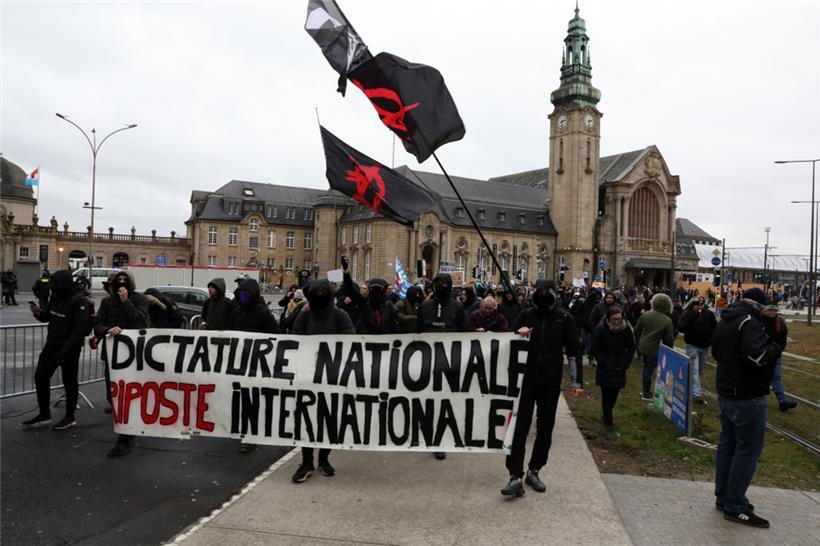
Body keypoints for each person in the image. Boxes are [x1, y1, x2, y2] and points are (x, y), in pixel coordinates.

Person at [501, 280, 581, 497]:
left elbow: (574, 349)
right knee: (520, 428)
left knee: (545, 428)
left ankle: (534, 469)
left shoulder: (564, 318)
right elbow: (507, 340)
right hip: (525, 381)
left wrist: (576, 381)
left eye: (548, 294)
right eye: (540, 294)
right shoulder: (526, 315)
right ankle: (515, 474)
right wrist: (519, 333)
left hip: (550, 381)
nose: (544, 298)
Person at [711, 287, 780, 528]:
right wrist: (775, 346)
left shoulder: (726, 318)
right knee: (747, 450)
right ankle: (735, 505)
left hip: (726, 390)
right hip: (747, 394)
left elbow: (716, 351)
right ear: (759, 305)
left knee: (728, 445)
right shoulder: (749, 322)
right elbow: (758, 356)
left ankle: (723, 497)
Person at [291, 279, 356, 482]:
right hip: (307, 377)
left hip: (332, 378)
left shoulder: (340, 315)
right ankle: (307, 461)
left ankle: (324, 459)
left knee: (329, 421)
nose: (319, 296)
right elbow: (294, 341)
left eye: (323, 293)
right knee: (306, 421)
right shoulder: (305, 316)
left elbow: (350, 341)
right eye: (316, 293)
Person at [22, 270, 91, 431]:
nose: (54, 288)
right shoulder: (56, 296)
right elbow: (47, 317)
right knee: (41, 376)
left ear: (65, 284)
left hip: (70, 347)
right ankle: (44, 414)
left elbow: (80, 330)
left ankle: (70, 416)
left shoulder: (79, 300)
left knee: (69, 381)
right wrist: (37, 312)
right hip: (52, 344)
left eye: (57, 285)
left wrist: (65, 352)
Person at [94, 270, 149, 457]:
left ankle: (125, 438)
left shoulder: (140, 299)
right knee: (113, 395)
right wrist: (108, 329)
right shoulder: (107, 302)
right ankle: (126, 425)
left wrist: (126, 302)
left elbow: (139, 321)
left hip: (132, 356)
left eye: (126, 280)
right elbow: (98, 325)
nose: (122, 283)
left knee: (128, 397)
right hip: (112, 356)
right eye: (119, 281)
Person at [417, 272, 468, 459]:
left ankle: (440, 439)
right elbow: (418, 331)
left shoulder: (458, 307)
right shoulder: (425, 306)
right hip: (428, 361)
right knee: (428, 400)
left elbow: (465, 334)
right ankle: (427, 433)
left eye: (445, 283)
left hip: (449, 362)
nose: (442, 286)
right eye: (438, 283)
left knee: (445, 402)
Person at [229, 277, 280, 453]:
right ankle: (242, 430)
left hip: (256, 365)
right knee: (239, 400)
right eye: (241, 294)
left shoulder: (264, 313)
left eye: (246, 294)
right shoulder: (236, 312)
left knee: (253, 402)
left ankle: (251, 436)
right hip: (238, 364)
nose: (243, 298)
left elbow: (276, 337)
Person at [590, 306, 635, 433]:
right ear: (609, 318)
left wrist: (626, 362)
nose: (616, 322)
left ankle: (607, 413)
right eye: (614, 319)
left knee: (614, 393)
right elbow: (595, 347)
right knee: (606, 393)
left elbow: (631, 347)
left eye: (619, 319)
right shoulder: (601, 329)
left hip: (619, 365)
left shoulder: (626, 330)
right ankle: (608, 421)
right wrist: (602, 360)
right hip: (605, 365)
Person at [634, 293, 675, 400]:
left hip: (643, 346)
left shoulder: (646, 315)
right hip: (655, 348)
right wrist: (669, 349)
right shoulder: (667, 320)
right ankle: (647, 392)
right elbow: (669, 339)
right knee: (651, 370)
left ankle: (645, 390)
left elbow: (637, 329)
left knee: (646, 369)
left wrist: (639, 341)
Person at [678, 296, 717, 403]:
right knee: (694, 370)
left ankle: (692, 388)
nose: (699, 306)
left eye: (701, 304)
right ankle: (697, 394)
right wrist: (692, 316)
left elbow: (715, 327)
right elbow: (681, 327)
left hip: (705, 346)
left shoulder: (709, 314)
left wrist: (712, 340)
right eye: (697, 305)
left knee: (699, 371)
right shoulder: (687, 314)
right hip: (692, 346)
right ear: (693, 305)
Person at [761, 304, 797, 412]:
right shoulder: (758, 321)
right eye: (770, 310)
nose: (772, 312)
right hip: (760, 355)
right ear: (765, 310)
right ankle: (755, 401)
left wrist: (778, 350)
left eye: (774, 310)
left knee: (776, 377)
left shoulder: (780, 323)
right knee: (759, 378)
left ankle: (783, 401)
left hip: (775, 355)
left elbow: (783, 339)